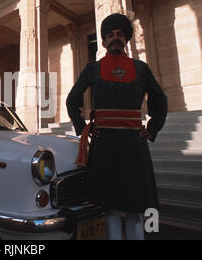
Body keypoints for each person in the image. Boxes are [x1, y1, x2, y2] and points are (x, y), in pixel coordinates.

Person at [66, 13, 168, 240]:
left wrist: (152, 128)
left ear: (126, 40)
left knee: (135, 209)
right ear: (103, 41)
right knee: (109, 208)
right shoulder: (92, 68)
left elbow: (160, 99)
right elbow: (72, 100)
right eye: (110, 35)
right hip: (104, 145)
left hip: (134, 144)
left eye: (120, 34)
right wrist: (83, 127)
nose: (115, 38)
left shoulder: (141, 68)